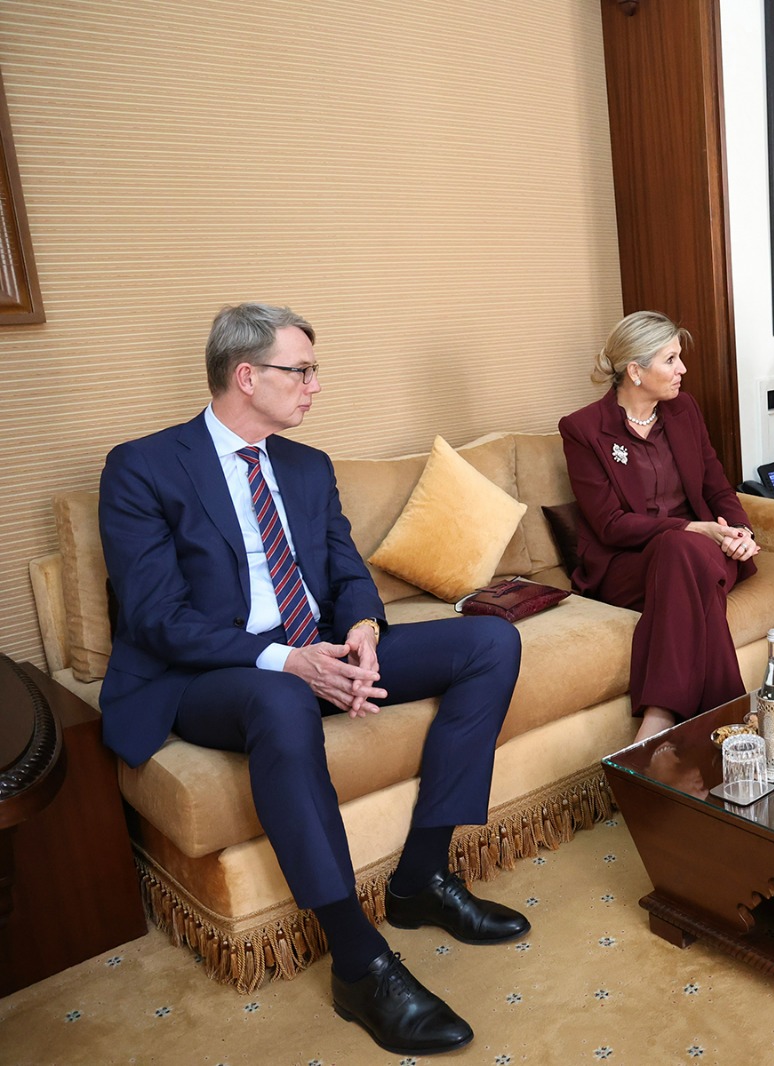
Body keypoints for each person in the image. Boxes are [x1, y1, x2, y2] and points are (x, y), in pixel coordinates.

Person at [97, 304, 528, 1056]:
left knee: (490, 641)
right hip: (212, 671)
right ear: (246, 376)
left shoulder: (306, 465)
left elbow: (346, 570)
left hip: (317, 645)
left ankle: (421, 879)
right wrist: (289, 661)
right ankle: (359, 961)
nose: (315, 386)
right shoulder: (143, 467)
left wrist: (362, 632)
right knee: (280, 697)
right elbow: (155, 618)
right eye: (300, 371)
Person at [559, 311, 760, 743]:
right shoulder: (583, 431)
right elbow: (610, 525)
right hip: (629, 564)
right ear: (635, 371)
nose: (682, 369)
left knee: (682, 553)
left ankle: (660, 718)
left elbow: (717, 487)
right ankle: (727, 722)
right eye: (671, 360)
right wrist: (691, 530)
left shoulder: (683, 410)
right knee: (680, 550)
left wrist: (743, 532)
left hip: (704, 551)